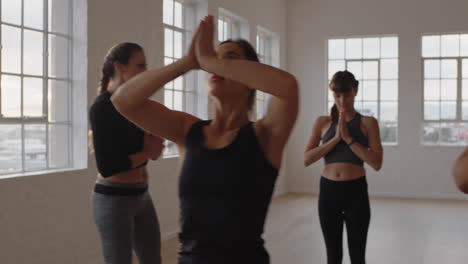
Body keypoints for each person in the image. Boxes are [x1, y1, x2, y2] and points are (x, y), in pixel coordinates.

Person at [111, 16, 298, 264]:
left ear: (251, 79)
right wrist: (189, 62)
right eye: (213, 59)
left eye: (229, 59)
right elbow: (123, 101)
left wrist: (209, 59)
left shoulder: (266, 134)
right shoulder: (188, 131)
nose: (215, 67)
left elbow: (287, 86)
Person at [89, 42, 164, 264]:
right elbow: (108, 165)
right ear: (120, 66)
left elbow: (151, 154)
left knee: (153, 260)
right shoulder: (102, 107)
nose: (145, 72)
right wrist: (147, 152)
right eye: (140, 66)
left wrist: (152, 148)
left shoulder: (136, 106)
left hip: (142, 195)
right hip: (113, 201)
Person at [304, 71, 383, 264]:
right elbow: (307, 158)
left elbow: (376, 162)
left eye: (346, 94)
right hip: (328, 191)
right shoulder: (322, 122)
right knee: (333, 256)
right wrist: (335, 139)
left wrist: (348, 139)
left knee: (357, 256)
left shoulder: (367, 123)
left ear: (355, 92)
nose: (342, 100)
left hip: (355, 191)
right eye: (337, 95)